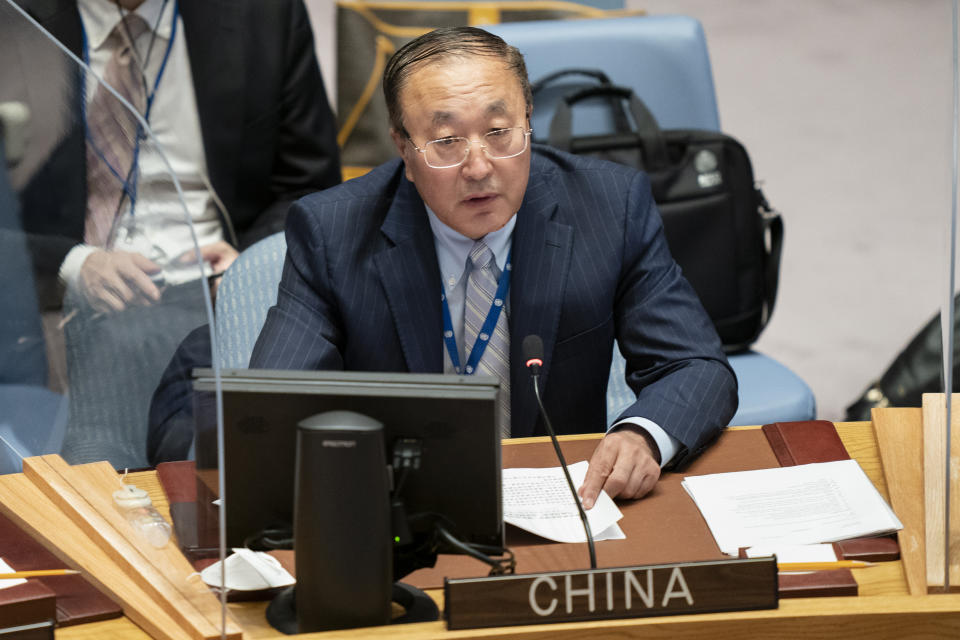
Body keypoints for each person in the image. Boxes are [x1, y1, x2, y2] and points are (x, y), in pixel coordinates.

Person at [250, 27, 736, 506]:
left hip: (564, 507)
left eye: (500, 132)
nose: (479, 167)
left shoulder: (609, 207)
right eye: (446, 141)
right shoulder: (332, 231)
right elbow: (272, 405)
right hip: (398, 507)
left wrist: (643, 435)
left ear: (529, 121)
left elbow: (694, 365)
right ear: (403, 147)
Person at [4, 0, 341, 468]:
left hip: (215, 284)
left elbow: (310, 185)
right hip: (58, 299)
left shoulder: (262, 14)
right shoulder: (14, 19)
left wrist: (249, 263)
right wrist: (74, 263)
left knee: (237, 458)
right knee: (111, 428)